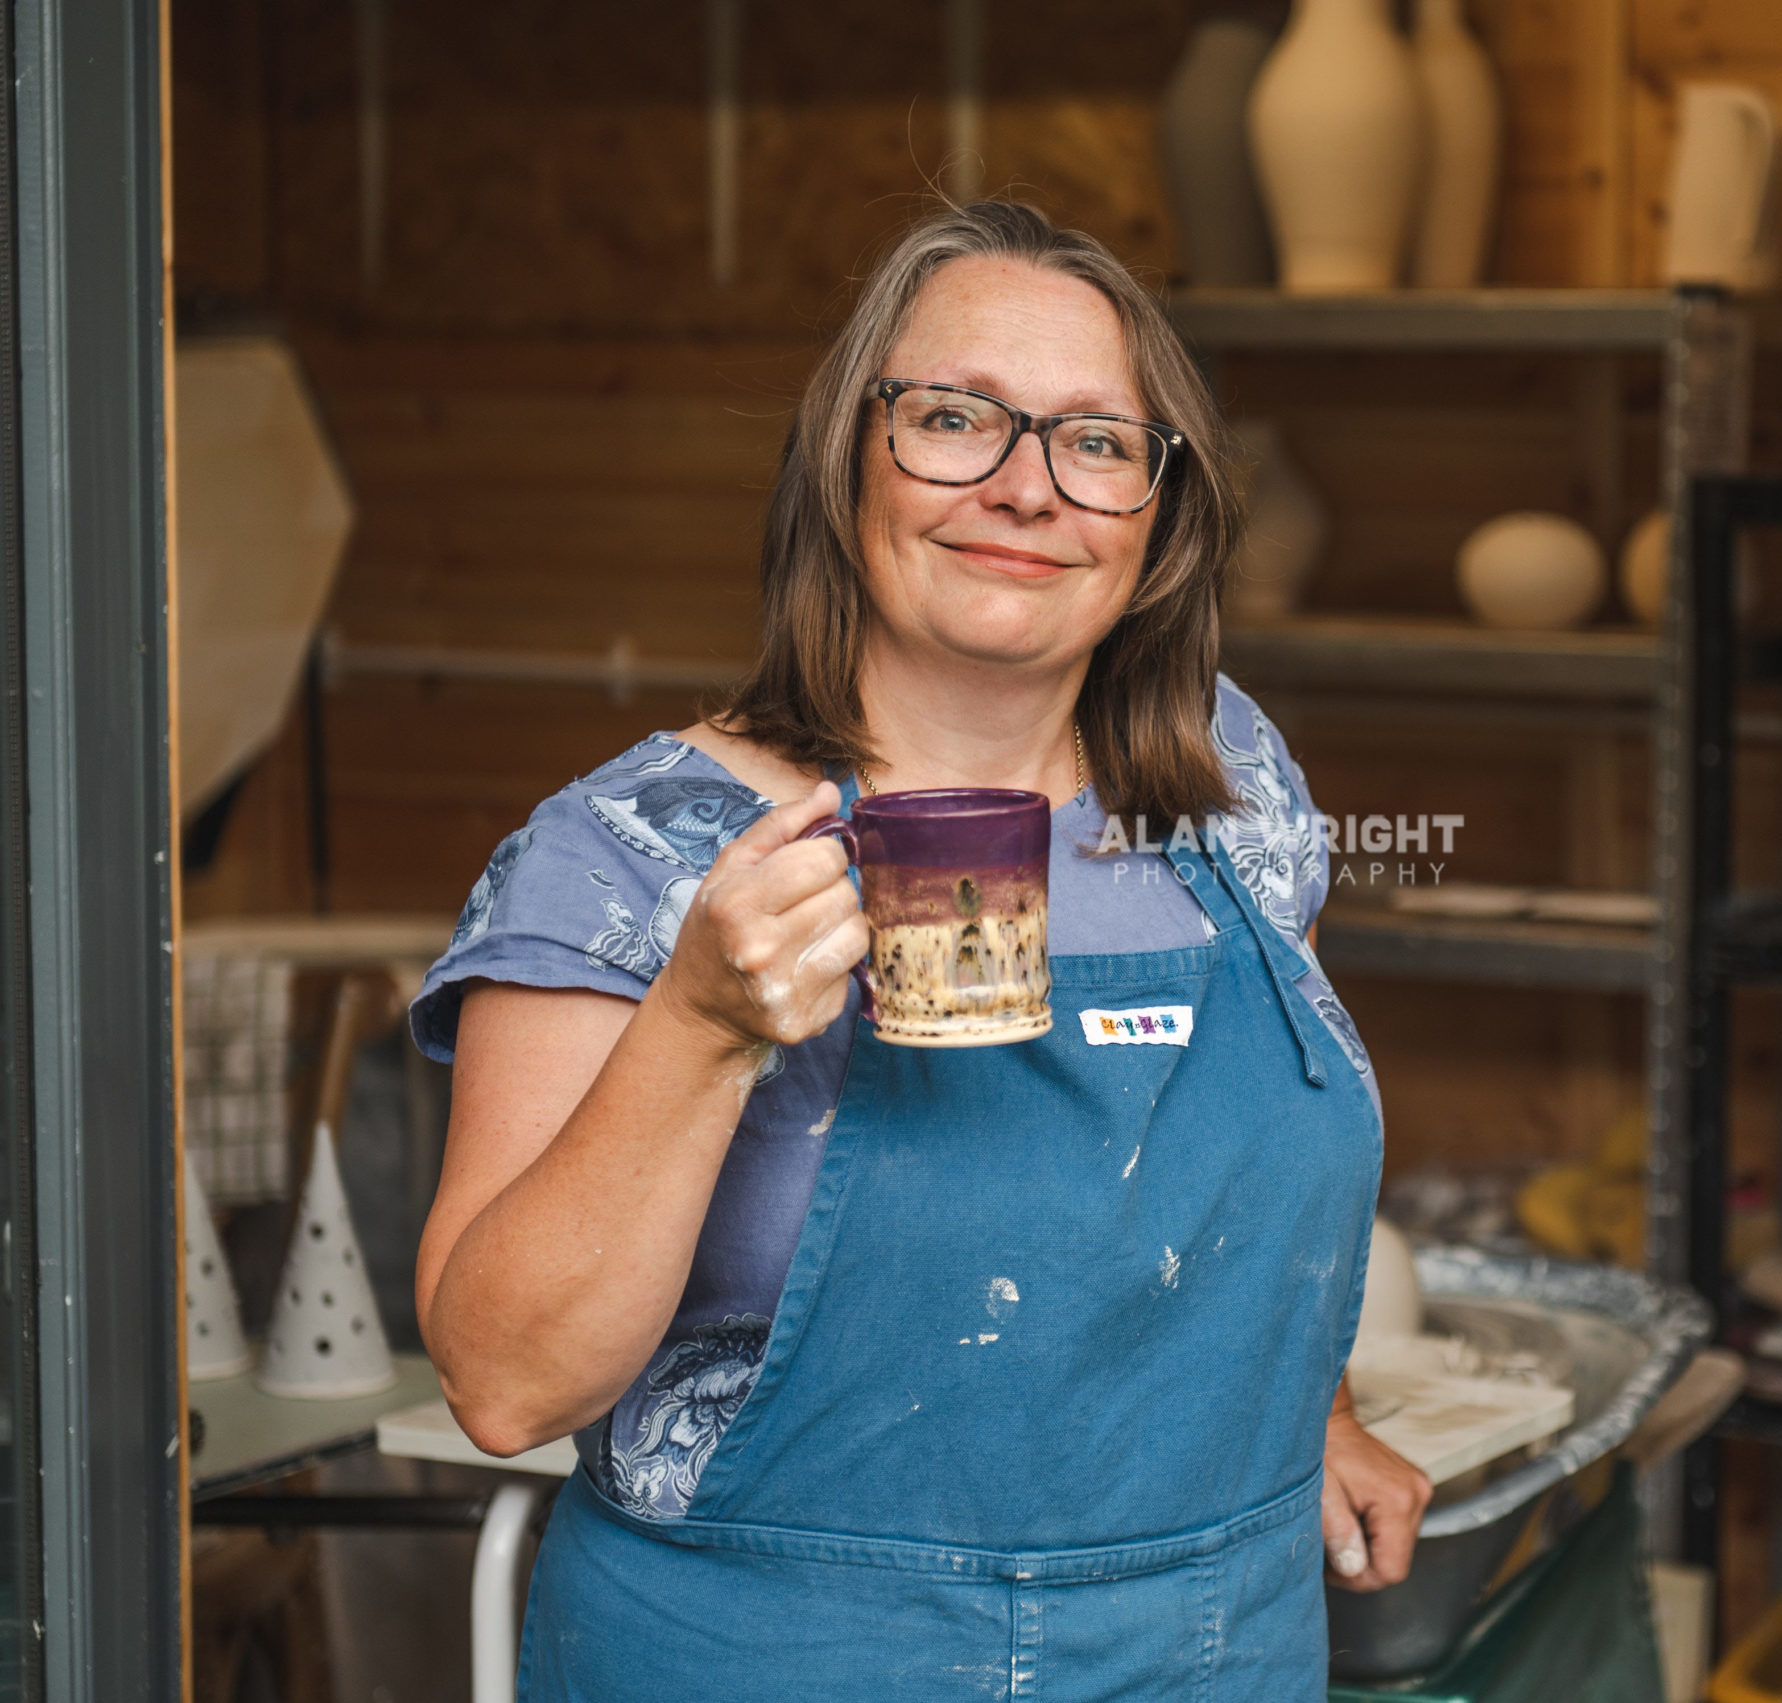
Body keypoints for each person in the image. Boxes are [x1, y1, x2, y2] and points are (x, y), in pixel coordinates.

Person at [408, 200, 1429, 1701]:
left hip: (1209, 1655)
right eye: (956, 420)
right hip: (784, 1659)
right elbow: (504, 1385)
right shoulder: (637, 854)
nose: (1027, 489)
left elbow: (1224, 1194)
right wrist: (697, 1023)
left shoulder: (1228, 788)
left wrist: (1309, 1411)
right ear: (845, 464)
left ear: (1160, 520)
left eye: (1093, 442)